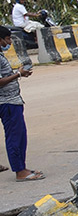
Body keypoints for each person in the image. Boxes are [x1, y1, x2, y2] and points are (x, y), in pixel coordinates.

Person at [0, 26, 42, 180]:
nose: (9, 42)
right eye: (8, 39)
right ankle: (20, 171)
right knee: (15, 136)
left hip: (11, 101)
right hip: (7, 102)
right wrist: (18, 74)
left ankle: (21, 168)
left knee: (18, 135)